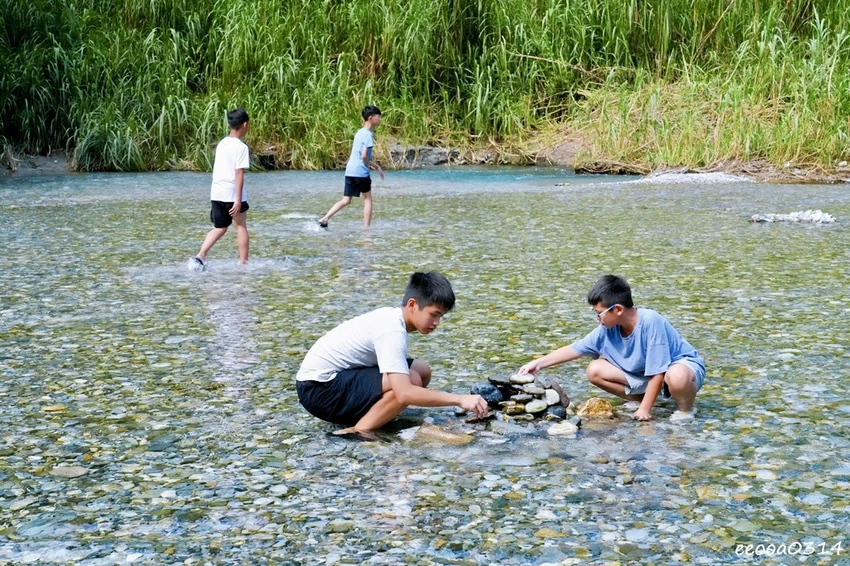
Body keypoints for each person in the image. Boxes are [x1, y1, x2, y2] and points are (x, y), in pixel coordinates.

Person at [296, 271, 488, 438]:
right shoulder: (392, 330)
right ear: (412, 304)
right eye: (434, 314)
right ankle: (360, 431)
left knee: (421, 370)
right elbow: (404, 393)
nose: (437, 322)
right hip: (318, 390)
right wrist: (460, 399)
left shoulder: (392, 318)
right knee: (410, 382)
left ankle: (383, 411)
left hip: (327, 381)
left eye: (441, 317)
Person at [518, 275, 705, 422]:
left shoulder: (650, 321)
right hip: (648, 375)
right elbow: (575, 349)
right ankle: (644, 399)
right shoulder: (606, 329)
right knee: (595, 370)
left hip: (678, 369)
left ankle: (684, 410)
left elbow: (659, 371)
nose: (597, 318)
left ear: (618, 310)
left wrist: (644, 412)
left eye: (599, 313)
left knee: (676, 375)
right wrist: (538, 363)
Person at [190, 108, 251, 270]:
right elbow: (239, 173)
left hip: (217, 192)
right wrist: (238, 199)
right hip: (232, 195)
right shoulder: (241, 147)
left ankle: (200, 255)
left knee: (220, 228)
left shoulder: (222, 143)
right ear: (245, 125)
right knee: (241, 227)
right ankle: (244, 263)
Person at [318, 105, 384, 229]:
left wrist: (375, 166)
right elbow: (364, 156)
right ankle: (366, 229)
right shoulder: (368, 135)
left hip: (350, 171)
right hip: (361, 172)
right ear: (370, 118)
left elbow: (359, 154)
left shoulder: (359, 132)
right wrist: (368, 165)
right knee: (368, 199)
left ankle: (325, 218)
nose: (380, 119)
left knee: (346, 200)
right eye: (378, 117)